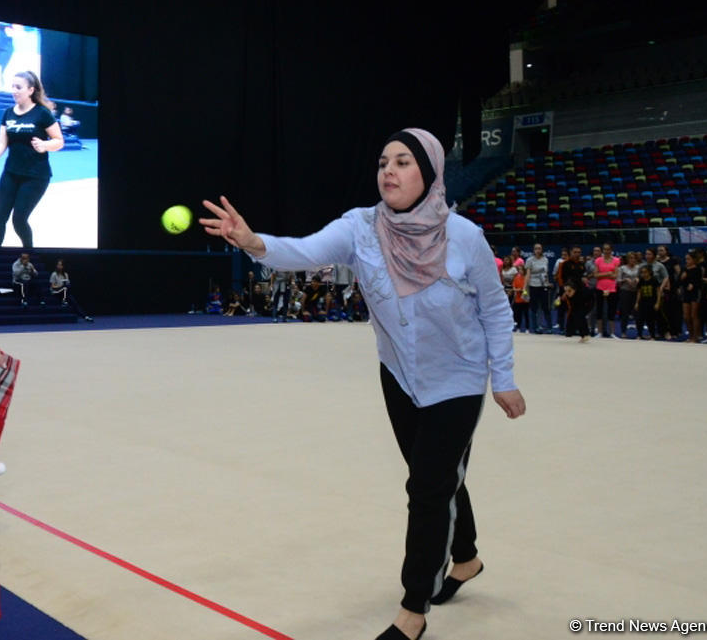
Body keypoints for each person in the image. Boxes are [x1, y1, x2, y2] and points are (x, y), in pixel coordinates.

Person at [201, 128, 524, 640]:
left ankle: (413, 608)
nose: (388, 171)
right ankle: (464, 558)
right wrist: (252, 241)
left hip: (457, 378)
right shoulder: (360, 227)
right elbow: (305, 252)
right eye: (382, 162)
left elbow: (495, 308)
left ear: (430, 173)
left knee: (426, 486)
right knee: (436, 477)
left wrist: (503, 378)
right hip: (398, 375)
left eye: (402, 162)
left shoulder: (465, 237)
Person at [0, 71, 64, 248]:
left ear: (30, 90)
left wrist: (45, 145)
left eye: (18, 87)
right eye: (12, 86)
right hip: (11, 174)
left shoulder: (42, 113)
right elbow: (1, 143)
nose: (14, 90)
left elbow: (59, 141)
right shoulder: (8, 113)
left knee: (19, 220)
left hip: (35, 176)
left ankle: (29, 254)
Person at [592, 243, 620, 338]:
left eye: (608, 249)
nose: (606, 251)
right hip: (600, 288)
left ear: (611, 250)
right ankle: (599, 332)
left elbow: (615, 275)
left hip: (612, 288)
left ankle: (612, 332)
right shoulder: (598, 260)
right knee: (599, 310)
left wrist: (602, 274)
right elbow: (595, 275)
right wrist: (608, 273)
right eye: (604, 249)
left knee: (611, 310)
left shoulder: (616, 260)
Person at [524, 244, 551, 334]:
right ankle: (536, 327)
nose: (538, 250)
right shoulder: (529, 260)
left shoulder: (545, 259)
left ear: (542, 249)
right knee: (534, 307)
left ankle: (549, 327)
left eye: (539, 248)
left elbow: (546, 273)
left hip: (543, 285)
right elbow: (527, 274)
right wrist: (525, 287)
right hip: (533, 285)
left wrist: (547, 283)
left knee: (545, 307)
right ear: (533, 250)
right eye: (536, 248)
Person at [634, 264, 662, 341]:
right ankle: (639, 334)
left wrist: (657, 303)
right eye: (642, 272)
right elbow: (639, 292)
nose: (643, 274)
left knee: (651, 320)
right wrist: (637, 303)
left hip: (652, 302)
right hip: (642, 302)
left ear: (649, 272)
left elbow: (658, 292)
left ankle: (652, 335)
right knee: (640, 319)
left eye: (645, 272)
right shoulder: (641, 280)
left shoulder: (654, 280)